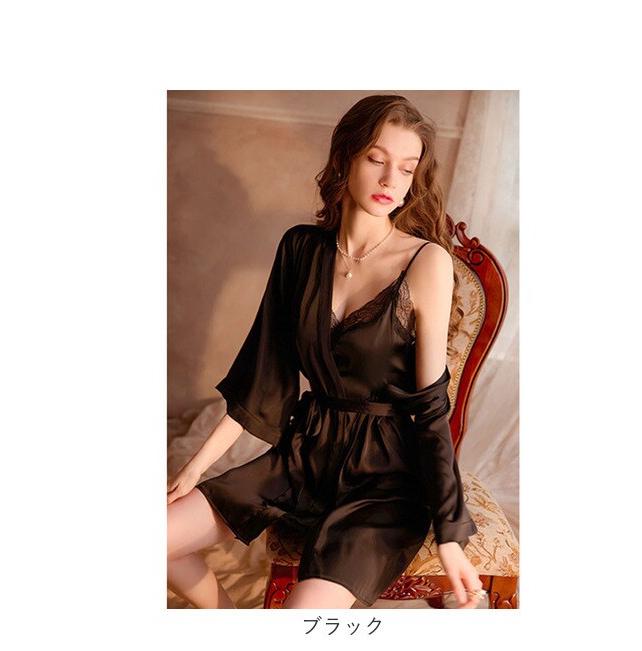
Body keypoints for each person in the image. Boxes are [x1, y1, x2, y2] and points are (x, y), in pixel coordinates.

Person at [167, 94, 484, 609]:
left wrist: (449, 530)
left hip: (385, 479)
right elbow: (264, 374)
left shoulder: (426, 263)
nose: (391, 180)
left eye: (407, 169)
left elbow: (430, 410)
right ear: (345, 158)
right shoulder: (300, 249)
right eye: (376, 159)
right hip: (305, 453)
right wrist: (196, 467)